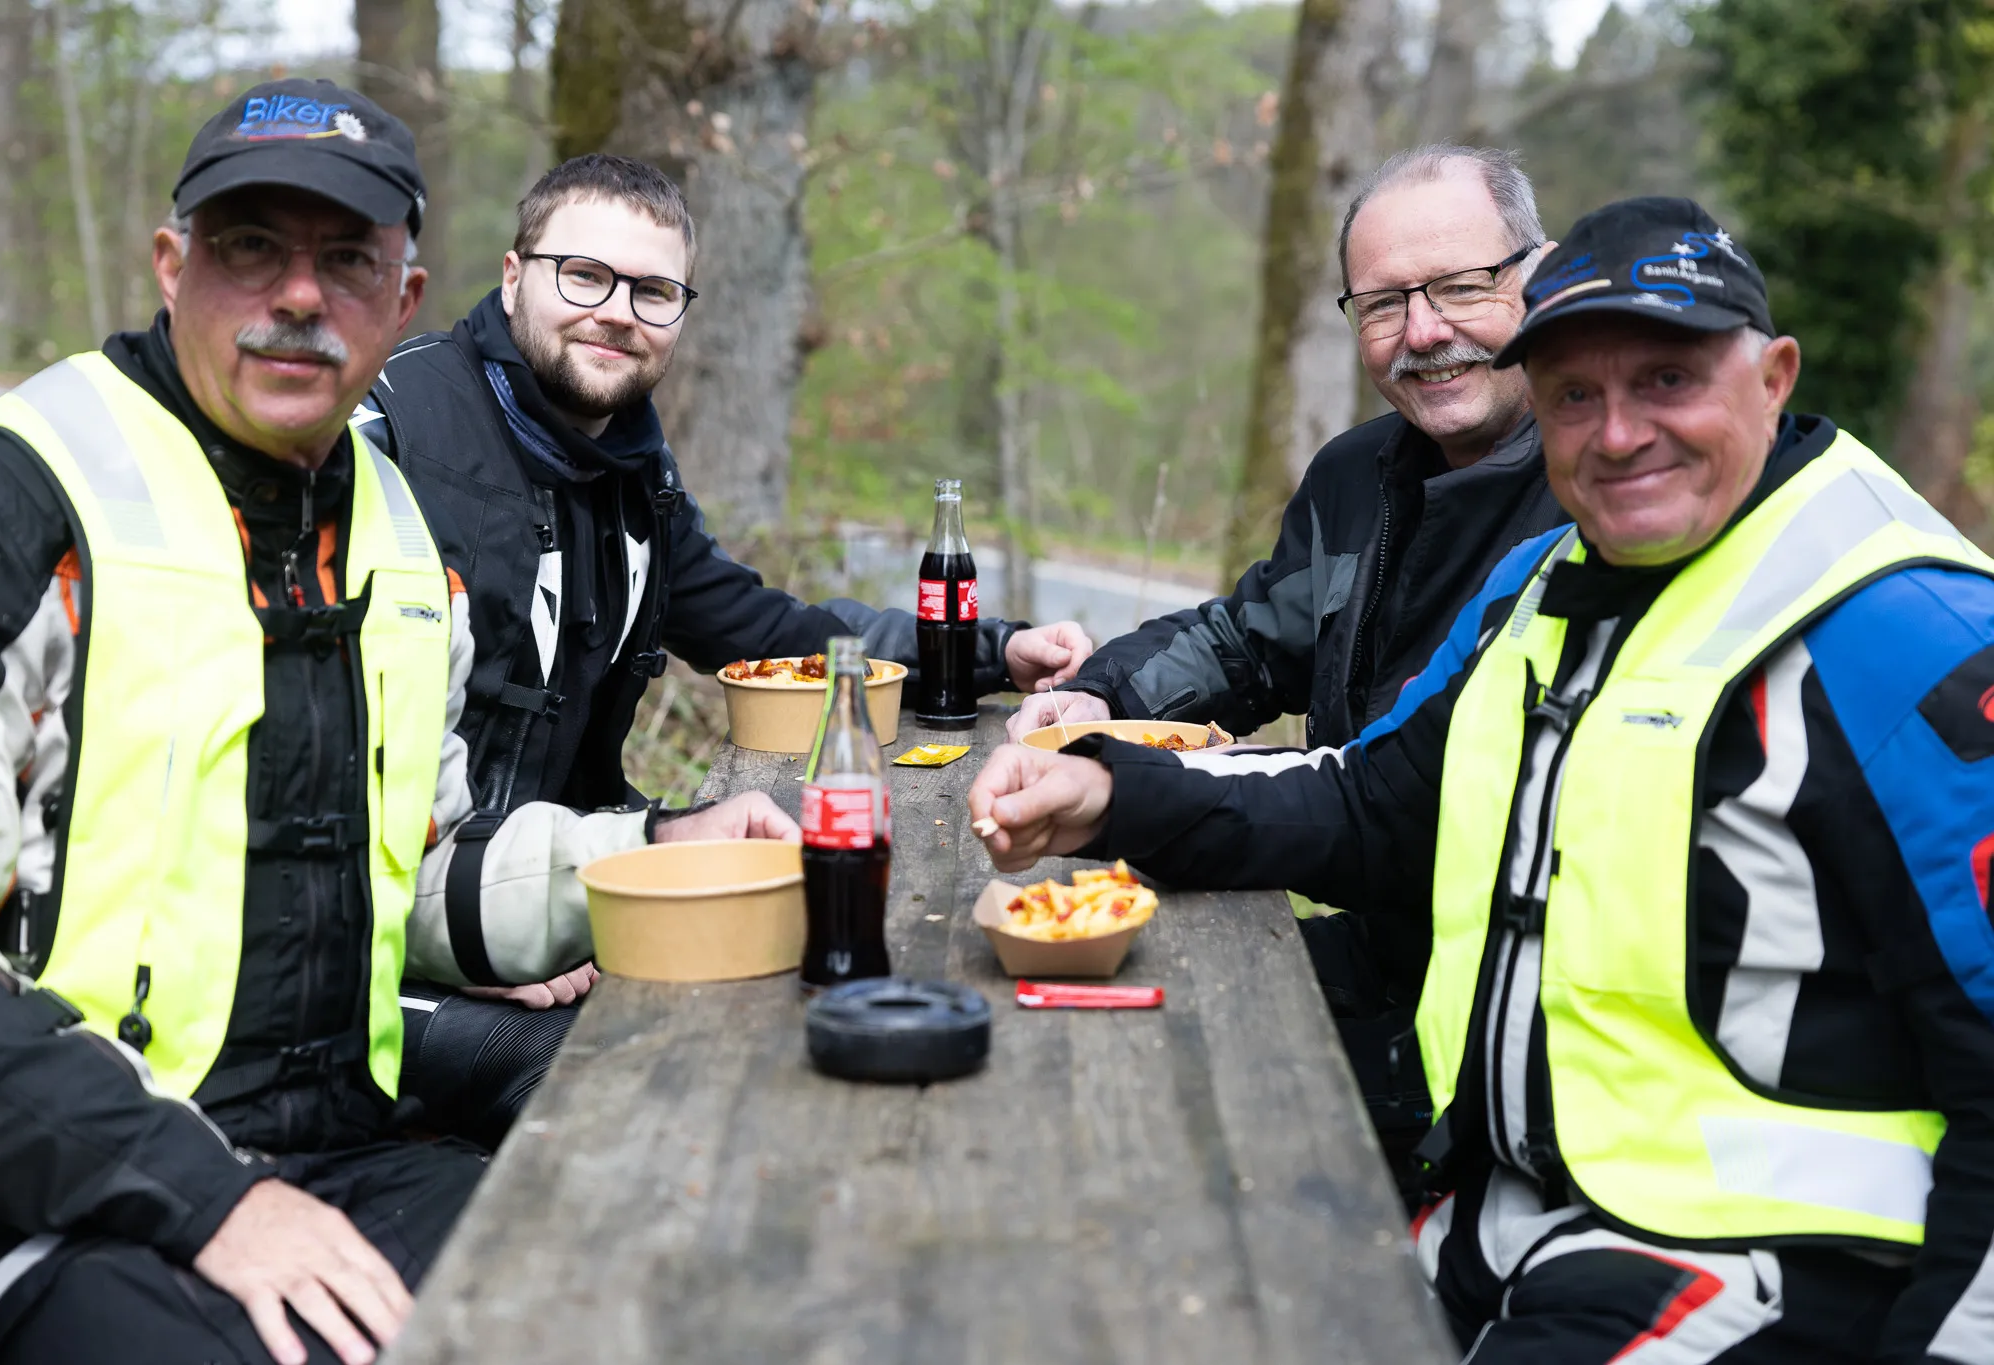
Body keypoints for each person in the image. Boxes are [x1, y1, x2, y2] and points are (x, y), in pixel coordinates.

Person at [968, 196, 1994, 1361]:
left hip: (1756, 1268)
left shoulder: (1913, 633)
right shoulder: (1544, 580)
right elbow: (1371, 800)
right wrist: (1107, 792)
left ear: (1771, 378)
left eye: (1664, 380)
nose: (1616, 434)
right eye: (1573, 395)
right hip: (1495, 1210)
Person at [0, 79, 792, 1365]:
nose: (299, 295)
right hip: (37, 1188)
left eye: (346, 260)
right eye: (250, 247)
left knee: (663, 1283)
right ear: (172, 266)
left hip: (335, 1152)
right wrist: (208, 1197)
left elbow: (422, 871)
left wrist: (656, 851)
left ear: (403, 300)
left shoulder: (392, 532)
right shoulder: (9, 501)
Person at [352, 154, 1091, 1137]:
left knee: (813, 952)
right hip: (394, 939)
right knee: (645, 1073)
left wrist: (986, 651)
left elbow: (762, 629)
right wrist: (485, 936)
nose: (617, 313)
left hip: (566, 881)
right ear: (513, 275)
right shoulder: (391, 438)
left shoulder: (626, 465)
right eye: (585, 275)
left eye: (652, 292)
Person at [1024, 143, 1571, 1183]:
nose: (1423, 332)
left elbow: (1403, 807)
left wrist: (1124, 792)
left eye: (1460, 286)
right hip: (1374, 942)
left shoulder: (1597, 495)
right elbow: (1249, 639)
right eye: (1382, 304)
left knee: (1160, 1106)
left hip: (1511, 1009)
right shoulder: (1357, 476)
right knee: (1063, 1017)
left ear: (1537, 274)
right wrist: (1098, 696)